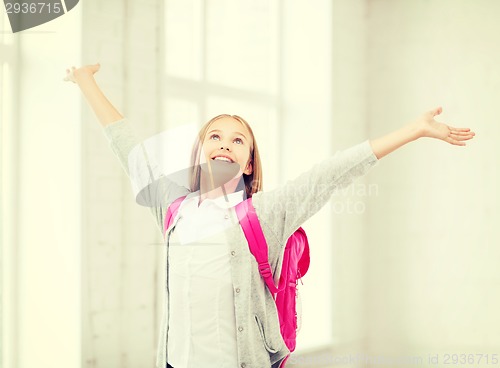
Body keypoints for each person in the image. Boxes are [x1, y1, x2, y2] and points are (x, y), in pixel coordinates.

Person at [64, 63, 475, 368]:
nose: (225, 144)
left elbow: (330, 173)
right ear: (200, 151)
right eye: (216, 136)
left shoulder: (264, 213)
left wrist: (413, 130)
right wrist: (86, 81)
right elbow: (129, 148)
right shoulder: (173, 209)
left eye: (238, 140)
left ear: (247, 163)